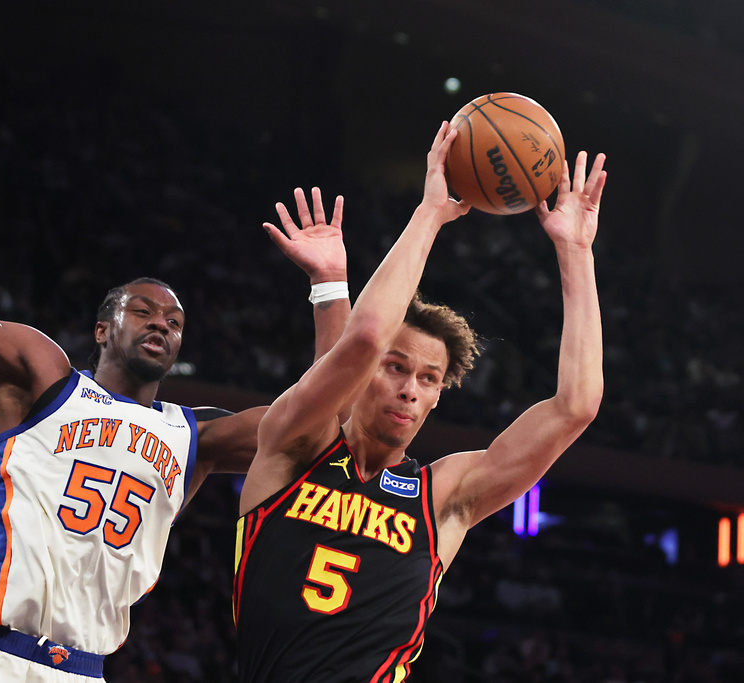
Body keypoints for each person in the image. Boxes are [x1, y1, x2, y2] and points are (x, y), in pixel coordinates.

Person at [0, 38, 350, 682]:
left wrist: (329, 286)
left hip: (85, 669)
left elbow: (320, 421)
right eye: (144, 311)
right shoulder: (42, 375)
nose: (162, 323)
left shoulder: (196, 434)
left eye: (174, 321)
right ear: (103, 327)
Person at [232, 124, 606, 682]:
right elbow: (362, 339)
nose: (411, 387)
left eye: (429, 378)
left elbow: (576, 406)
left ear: (436, 397)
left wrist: (575, 251)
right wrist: (431, 212)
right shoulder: (294, 446)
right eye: (397, 367)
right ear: (365, 374)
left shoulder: (442, 498)